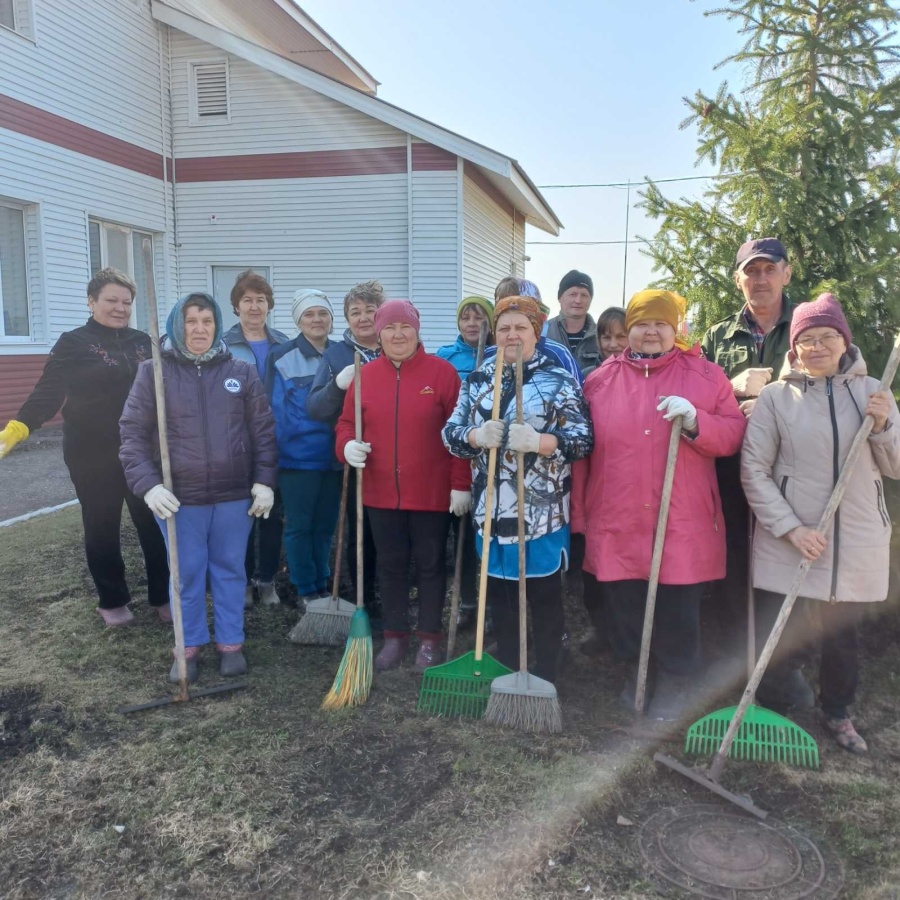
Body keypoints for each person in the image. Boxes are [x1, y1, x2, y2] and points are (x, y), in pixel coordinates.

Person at [575, 290, 746, 720]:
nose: (651, 331)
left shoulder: (706, 377)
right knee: (624, 600)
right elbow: (582, 454)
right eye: (641, 323)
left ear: (675, 329)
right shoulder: (599, 382)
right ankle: (637, 668)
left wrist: (696, 422)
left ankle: (675, 676)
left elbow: (732, 435)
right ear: (628, 329)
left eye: (661, 323)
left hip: (680, 516)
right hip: (618, 514)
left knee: (678, 604)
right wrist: (580, 514)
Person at [741, 294, 900, 754]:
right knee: (780, 630)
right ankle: (773, 707)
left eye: (826, 337)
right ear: (794, 348)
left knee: (842, 635)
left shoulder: (874, 391)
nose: (816, 347)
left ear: (843, 341)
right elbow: (754, 470)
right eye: (806, 339)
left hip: (854, 538)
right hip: (789, 539)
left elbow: (894, 467)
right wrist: (792, 529)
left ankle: (838, 711)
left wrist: (886, 426)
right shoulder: (775, 399)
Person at [119, 292, 277, 681]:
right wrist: (149, 486)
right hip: (179, 497)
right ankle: (186, 646)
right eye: (191, 322)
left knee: (229, 570)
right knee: (186, 573)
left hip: (233, 494)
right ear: (178, 325)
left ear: (218, 325)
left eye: (207, 321)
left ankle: (230, 644)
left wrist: (264, 482)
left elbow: (263, 432)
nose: (200, 329)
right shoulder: (152, 372)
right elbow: (132, 435)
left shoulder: (240, 371)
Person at [0, 268, 169, 627]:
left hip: (141, 450)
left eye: (126, 302)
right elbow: (49, 392)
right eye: (111, 300)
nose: (120, 308)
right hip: (92, 450)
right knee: (101, 523)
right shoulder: (73, 343)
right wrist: (17, 428)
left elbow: (167, 391)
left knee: (154, 522)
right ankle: (113, 599)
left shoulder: (145, 341)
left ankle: (163, 595)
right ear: (91, 302)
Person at [443, 295, 593, 681]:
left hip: (541, 514)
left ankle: (548, 668)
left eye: (520, 328)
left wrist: (541, 442)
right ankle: (507, 665)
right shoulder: (478, 380)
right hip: (491, 511)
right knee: (502, 597)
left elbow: (582, 440)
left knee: (543, 597)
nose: (511, 335)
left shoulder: (557, 380)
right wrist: (476, 435)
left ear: (535, 333)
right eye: (504, 327)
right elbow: (450, 434)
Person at [335, 299, 471, 671]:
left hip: (430, 493)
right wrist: (346, 446)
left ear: (417, 331)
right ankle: (395, 637)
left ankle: (429, 639)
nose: (398, 334)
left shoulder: (442, 374)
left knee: (430, 565)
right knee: (391, 566)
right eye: (390, 328)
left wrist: (460, 484)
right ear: (379, 333)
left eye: (405, 327)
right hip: (380, 492)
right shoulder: (365, 375)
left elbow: (458, 434)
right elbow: (346, 423)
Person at [701, 238, 799, 664]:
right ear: (738, 279)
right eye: (751, 271)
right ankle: (733, 655)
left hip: (790, 466)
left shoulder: (806, 326)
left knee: (783, 554)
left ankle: (780, 659)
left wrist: (775, 399)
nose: (760, 278)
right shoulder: (718, 335)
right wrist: (731, 388)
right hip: (731, 464)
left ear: (786, 273)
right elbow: (702, 393)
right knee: (734, 556)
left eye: (769, 269)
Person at [307, 280, 383, 618]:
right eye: (356, 312)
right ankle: (366, 600)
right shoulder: (336, 355)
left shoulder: (399, 345)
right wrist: (338, 385)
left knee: (391, 533)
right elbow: (316, 407)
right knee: (360, 530)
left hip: (397, 455)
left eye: (370, 310)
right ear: (347, 319)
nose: (364, 318)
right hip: (355, 457)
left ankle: (393, 594)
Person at [268, 290, 341, 608]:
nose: (316, 320)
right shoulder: (282, 356)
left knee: (325, 525)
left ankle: (322, 583)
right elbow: (273, 410)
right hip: (297, 458)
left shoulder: (341, 353)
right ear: (298, 320)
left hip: (336, 457)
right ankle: (305, 589)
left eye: (322, 313)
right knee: (300, 525)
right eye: (309, 314)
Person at [222, 271, 289, 607]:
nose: (254, 306)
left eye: (260, 300)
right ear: (236, 305)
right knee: (240, 512)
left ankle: (267, 580)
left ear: (268, 305)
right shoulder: (223, 345)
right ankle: (243, 579)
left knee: (272, 513)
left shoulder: (283, 343)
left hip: (274, 440)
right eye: (247, 300)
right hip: (236, 441)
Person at [436, 295, 495, 632]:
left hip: (489, 462)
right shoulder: (445, 357)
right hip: (453, 452)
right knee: (457, 535)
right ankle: (466, 603)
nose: (472, 324)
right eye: (466, 318)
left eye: (479, 318)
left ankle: (488, 604)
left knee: (481, 537)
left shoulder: (497, 355)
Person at [485, 278, 582, 384]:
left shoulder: (558, 354)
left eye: (519, 307)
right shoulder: (489, 356)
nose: (510, 314)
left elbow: (577, 392)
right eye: (503, 307)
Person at [545, 270, 600, 374]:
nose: (578, 300)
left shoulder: (601, 335)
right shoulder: (542, 332)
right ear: (560, 298)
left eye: (584, 295)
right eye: (573, 294)